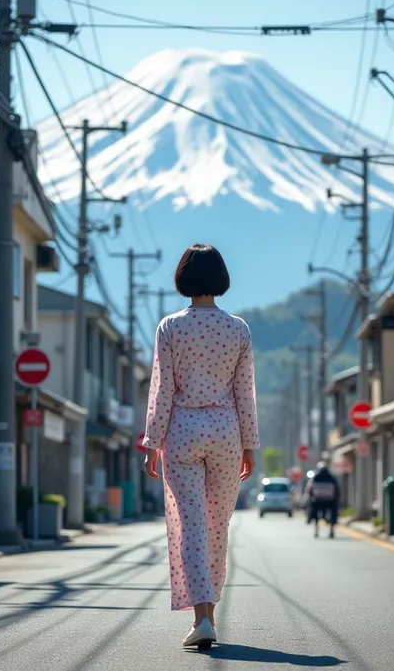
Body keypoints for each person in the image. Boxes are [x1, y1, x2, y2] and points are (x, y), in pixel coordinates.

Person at [142, 243, 260, 649]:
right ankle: (209, 614)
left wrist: (151, 443)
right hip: (227, 432)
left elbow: (163, 390)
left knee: (190, 526)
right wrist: (250, 445)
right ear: (221, 278)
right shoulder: (238, 329)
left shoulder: (170, 327)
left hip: (182, 432)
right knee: (217, 526)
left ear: (183, 278)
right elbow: (245, 393)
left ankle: (202, 618)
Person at [306, 461, 340, 538]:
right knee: (334, 512)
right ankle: (332, 529)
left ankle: (313, 524)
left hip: (318, 499)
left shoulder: (315, 477)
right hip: (330, 500)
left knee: (313, 510)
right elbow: (337, 489)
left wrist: (310, 497)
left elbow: (309, 489)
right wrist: (336, 498)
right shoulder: (332, 477)